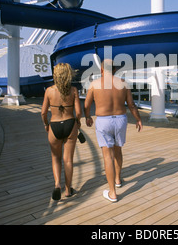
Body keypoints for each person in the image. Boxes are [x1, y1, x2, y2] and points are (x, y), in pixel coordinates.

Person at [84, 59, 143, 202]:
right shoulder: (123, 83)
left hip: (104, 121)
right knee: (118, 151)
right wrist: (138, 119)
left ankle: (112, 192)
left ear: (102, 70)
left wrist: (87, 117)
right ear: (115, 70)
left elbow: (86, 105)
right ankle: (117, 179)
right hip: (121, 119)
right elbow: (132, 105)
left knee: (107, 156)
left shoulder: (95, 84)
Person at [41, 63, 81, 201]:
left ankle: (57, 184)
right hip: (70, 124)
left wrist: (46, 125)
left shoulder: (49, 91)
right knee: (68, 159)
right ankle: (68, 190)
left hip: (54, 126)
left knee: (55, 158)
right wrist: (78, 121)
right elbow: (79, 112)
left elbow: (43, 112)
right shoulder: (73, 90)